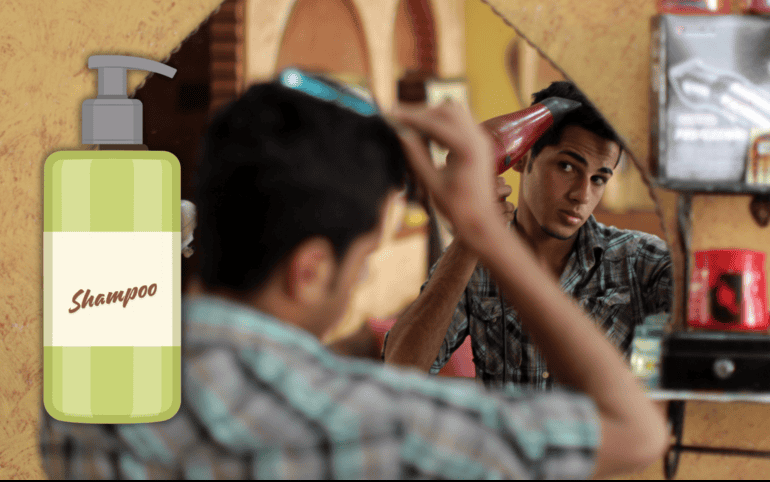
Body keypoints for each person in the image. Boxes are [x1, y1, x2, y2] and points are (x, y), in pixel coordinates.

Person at [39, 71, 667, 479]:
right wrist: (481, 234)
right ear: (310, 270)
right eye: (363, 262)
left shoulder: (83, 396)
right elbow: (635, 434)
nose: (582, 192)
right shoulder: (360, 421)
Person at [384, 81, 673, 390]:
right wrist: (470, 238)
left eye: (599, 179)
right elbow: (400, 369)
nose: (582, 194)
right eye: (566, 166)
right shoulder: (476, 265)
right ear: (522, 157)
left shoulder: (640, 261)